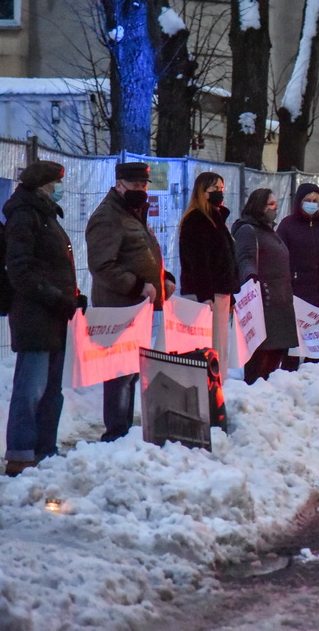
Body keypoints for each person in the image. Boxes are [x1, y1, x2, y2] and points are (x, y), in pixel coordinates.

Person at [2, 161, 83, 476]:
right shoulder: (25, 216)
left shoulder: (47, 215)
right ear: (43, 185)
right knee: (31, 387)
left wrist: (71, 298)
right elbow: (20, 270)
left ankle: (45, 450)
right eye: (56, 182)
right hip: (34, 315)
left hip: (55, 315)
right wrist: (55, 298)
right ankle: (21, 453)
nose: (60, 188)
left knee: (52, 389)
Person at [87, 162, 175, 442]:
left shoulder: (133, 212)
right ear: (119, 184)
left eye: (144, 185)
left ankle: (123, 433)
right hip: (118, 308)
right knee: (119, 373)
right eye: (135, 185)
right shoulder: (108, 215)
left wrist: (163, 278)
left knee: (132, 371)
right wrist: (138, 285)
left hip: (138, 308)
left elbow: (141, 252)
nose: (141, 190)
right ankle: (116, 433)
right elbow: (102, 264)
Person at [178, 171, 240, 382]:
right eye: (215, 189)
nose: (220, 193)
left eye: (222, 189)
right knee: (208, 347)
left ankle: (218, 389)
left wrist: (231, 292)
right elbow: (198, 261)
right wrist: (205, 295)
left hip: (220, 292)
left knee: (220, 346)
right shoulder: (196, 220)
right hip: (206, 295)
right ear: (202, 193)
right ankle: (208, 392)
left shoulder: (217, 219)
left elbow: (227, 256)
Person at [232, 188, 298, 384]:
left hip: (281, 302)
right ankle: (255, 394)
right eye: (270, 204)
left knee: (277, 356)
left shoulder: (269, 230)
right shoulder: (248, 230)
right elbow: (245, 259)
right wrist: (251, 277)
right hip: (265, 303)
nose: (275, 207)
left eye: (275, 203)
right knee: (262, 358)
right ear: (258, 206)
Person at [277, 183, 319, 367]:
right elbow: (280, 258)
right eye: (308, 200)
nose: (312, 204)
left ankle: (312, 375)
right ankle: (288, 376)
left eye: (316, 200)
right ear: (299, 202)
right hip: (297, 294)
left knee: (317, 345)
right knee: (294, 344)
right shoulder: (287, 226)